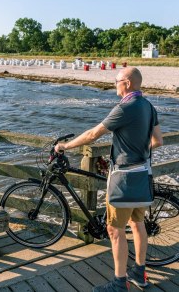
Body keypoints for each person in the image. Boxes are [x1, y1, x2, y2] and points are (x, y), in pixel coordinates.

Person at [55, 66, 163, 292]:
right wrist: (138, 152)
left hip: (124, 178)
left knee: (115, 230)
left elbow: (93, 134)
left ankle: (119, 283)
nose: (115, 84)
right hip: (142, 174)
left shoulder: (125, 107)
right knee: (137, 224)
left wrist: (65, 145)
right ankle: (139, 273)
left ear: (128, 83)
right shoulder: (148, 106)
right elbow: (158, 141)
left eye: (117, 80)